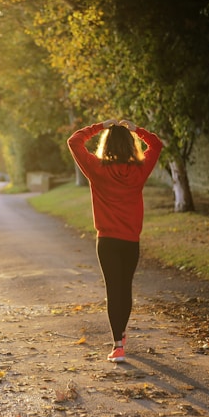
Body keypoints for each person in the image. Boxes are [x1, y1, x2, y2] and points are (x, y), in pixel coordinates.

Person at [67, 118, 163, 363]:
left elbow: (74, 141)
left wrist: (100, 126)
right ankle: (121, 335)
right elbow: (156, 144)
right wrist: (136, 130)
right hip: (130, 241)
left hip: (107, 241)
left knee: (113, 289)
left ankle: (118, 345)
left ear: (106, 145)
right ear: (131, 146)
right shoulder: (139, 170)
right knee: (125, 288)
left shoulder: (96, 169)